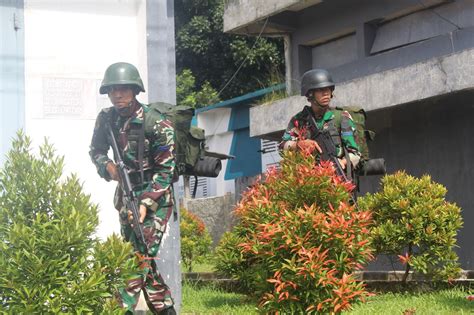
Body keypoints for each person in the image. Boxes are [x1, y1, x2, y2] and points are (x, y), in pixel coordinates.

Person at [89, 62, 177, 315]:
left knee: (136, 259)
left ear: (135, 90)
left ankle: (118, 310)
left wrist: (146, 202)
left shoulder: (157, 124)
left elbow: (165, 171)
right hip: (126, 196)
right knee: (141, 258)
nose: (117, 95)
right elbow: (95, 150)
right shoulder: (106, 119)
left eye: (123, 89)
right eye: (112, 90)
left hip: (155, 198)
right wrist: (108, 167)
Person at [280, 68, 361, 173]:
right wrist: (298, 145)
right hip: (309, 180)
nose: (326, 93)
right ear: (310, 94)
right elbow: (282, 147)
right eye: (320, 90)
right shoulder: (299, 120)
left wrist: (342, 163)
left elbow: (355, 153)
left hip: (337, 178)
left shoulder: (341, 117)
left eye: (328, 89)